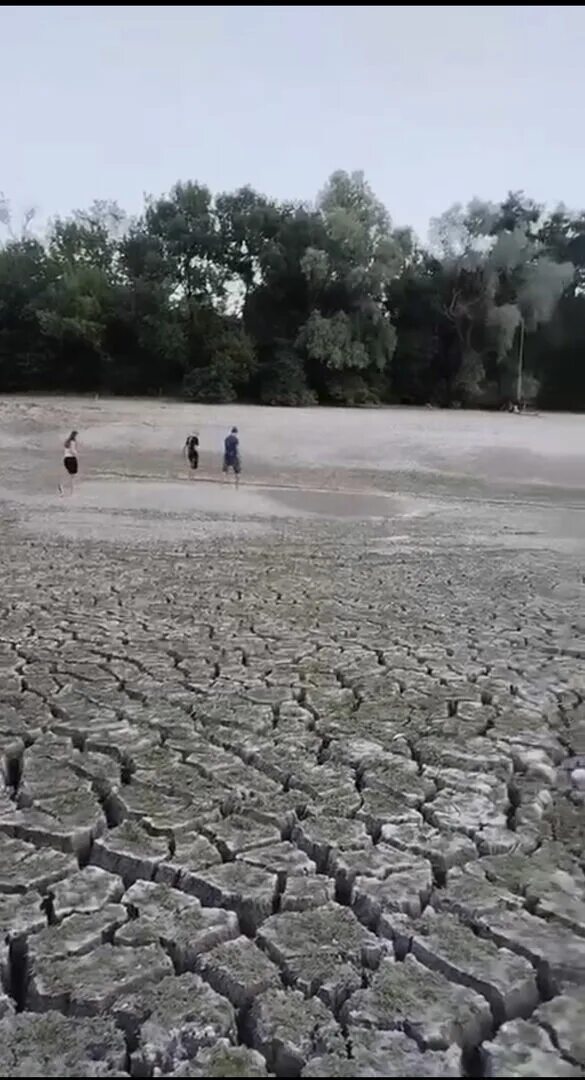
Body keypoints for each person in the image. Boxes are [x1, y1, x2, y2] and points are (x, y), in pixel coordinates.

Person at [60, 430, 78, 495]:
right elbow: (72, 450)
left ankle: (64, 487)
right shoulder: (72, 442)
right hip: (71, 459)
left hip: (66, 459)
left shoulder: (67, 442)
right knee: (72, 476)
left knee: (70, 475)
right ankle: (71, 491)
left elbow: (67, 451)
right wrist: (77, 454)